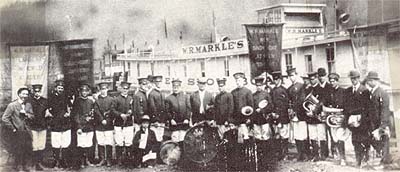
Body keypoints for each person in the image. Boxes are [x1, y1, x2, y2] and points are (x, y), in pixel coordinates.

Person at [343, 70, 370, 168]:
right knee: (355, 141)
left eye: (355, 78)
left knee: (363, 140)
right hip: (351, 120)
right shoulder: (348, 91)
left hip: (361, 121)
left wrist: (361, 118)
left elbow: (367, 108)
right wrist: (348, 120)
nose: (353, 80)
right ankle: (358, 160)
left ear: (358, 78)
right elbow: (346, 107)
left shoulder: (365, 90)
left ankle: (365, 159)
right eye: (351, 78)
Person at [2, 87, 33, 172]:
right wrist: (13, 128)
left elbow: (32, 116)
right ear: (19, 94)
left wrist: (26, 114)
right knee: (19, 149)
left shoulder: (28, 105)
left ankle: (25, 166)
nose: (25, 96)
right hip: (17, 131)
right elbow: (4, 118)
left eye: (26, 94)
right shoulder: (12, 105)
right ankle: (19, 167)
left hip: (27, 131)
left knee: (27, 149)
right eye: (23, 94)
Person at [365, 71, 392, 165]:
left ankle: (386, 162)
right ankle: (382, 160)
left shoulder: (382, 93)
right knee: (375, 142)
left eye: (371, 80)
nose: (369, 82)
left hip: (381, 123)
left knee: (384, 143)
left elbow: (385, 110)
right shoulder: (370, 93)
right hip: (373, 123)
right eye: (369, 80)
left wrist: (382, 126)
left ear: (376, 81)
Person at [48, 79, 73, 169]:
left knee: (65, 143)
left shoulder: (66, 97)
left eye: (62, 88)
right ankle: (56, 161)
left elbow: (70, 108)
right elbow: (49, 110)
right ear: (55, 88)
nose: (60, 89)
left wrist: (69, 113)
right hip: (56, 124)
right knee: (56, 143)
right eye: (59, 88)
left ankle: (64, 161)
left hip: (65, 124)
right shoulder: (51, 98)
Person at [251, 76, 274, 169]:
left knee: (265, 137)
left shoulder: (266, 95)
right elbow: (251, 107)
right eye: (257, 86)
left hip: (264, 120)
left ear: (263, 85)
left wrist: (263, 110)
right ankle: (259, 154)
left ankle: (267, 155)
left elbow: (271, 106)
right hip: (256, 120)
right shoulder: (253, 95)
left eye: (260, 85)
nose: (258, 87)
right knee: (258, 137)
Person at [287, 68, 309, 161]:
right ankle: (299, 154)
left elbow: (302, 100)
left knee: (303, 134)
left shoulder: (301, 86)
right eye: (290, 76)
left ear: (296, 75)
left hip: (301, 114)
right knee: (296, 134)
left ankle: (305, 154)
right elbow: (289, 101)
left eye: (292, 75)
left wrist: (296, 109)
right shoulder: (290, 88)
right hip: (294, 114)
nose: (291, 77)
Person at [71, 83, 96, 169]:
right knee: (81, 144)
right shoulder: (77, 101)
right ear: (80, 92)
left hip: (89, 126)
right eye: (83, 91)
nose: (84, 93)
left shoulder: (91, 101)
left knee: (89, 144)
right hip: (81, 127)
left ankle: (88, 160)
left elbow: (93, 113)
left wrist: (91, 119)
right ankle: (81, 161)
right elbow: (75, 115)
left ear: (88, 92)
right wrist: (78, 126)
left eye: (86, 91)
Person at [304, 72, 327, 161]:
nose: (312, 80)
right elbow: (305, 102)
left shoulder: (321, 89)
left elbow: (322, 102)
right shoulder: (308, 89)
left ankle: (323, 155)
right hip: (310, 117)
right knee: (313, 136)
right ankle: (315, 155)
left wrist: (314, 110)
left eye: (313, 79)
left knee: (321, 136)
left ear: (317, 78)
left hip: (318, 116)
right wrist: (307, 111)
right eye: (310, 79)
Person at [26, 84, 49, 171]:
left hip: (43, 126)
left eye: (38, 91)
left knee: (41, 145)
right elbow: (28, 113)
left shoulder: (45, 101)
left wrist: (47, 117)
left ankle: (40, 162)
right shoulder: (29, 101)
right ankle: (35, 163)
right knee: (34, 145)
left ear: (41, 92)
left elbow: (47, 112)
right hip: (33, 126)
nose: (37, 93)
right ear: (33, 92)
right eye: (35, 91)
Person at [112, 81, 135, 166]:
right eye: (123, 88)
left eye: (127, 88)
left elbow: (134, 109)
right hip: (119, 124)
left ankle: (128, 159)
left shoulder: (131, 98)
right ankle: (119, 159)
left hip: (128, 124)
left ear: (128, 89)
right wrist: (120, 114)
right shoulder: (116, 99)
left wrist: (131, 112)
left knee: (129, 141)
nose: (125, 90)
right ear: (120, 89)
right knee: (119, 141)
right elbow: (112, 110)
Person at [270, 71, 290, 161]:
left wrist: (280, 114)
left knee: (284, 135)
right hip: (275, 117)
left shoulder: (284, 90)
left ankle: (285, 153)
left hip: (283, 116)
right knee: (277, 135)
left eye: (277, 79)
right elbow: (271, 104)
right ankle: (279, 153)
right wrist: (273, 113)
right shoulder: (272, 91)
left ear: (280, 79)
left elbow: (286, 104)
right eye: (274, 79)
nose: (275, 81)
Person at [94, 82, 115, 167]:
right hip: (99, 124)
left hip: (108, 124)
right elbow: (96, 111)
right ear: (100, 90)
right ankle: (102, 159)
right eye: (102, 89)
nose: (103, 91)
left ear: (107, 89)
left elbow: (112, 111)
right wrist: (102, 120)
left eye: (105, 89)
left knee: (109, 142)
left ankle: (109, 159)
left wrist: (107, 120)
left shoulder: (111, 99)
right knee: (101, 142)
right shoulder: (97, 101)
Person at [165, 79, 191, 143]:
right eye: (174, 87)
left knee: (183, 140)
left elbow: (188, 109)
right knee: (175, 140)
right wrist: (171, 119)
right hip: (174, 124)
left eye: (177, 87)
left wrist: (187, 118)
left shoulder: (185, 97)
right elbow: (167, 111)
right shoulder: (169, 98)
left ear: (180, 87)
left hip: (184, 123)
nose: (176, 89)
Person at [231, 72, 254, 143]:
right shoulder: (233, 92)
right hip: (236, 120)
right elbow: (232, 107)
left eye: (240, 80)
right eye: (236, 81)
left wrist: (249, 118)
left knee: (246, 138)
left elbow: (251, 106)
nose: (238, 82)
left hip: (245, 119)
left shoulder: (248, 92)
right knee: (237, 140)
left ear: (244, 81)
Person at [317, 68, 332, 159]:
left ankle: (334, 151)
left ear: (326, 76)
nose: (321, 78)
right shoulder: (317, 88)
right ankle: (324, 152)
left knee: (332, 133)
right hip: (321, 114)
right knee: (323, 133)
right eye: (320, 76)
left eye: (323, 76)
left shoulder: (330, 86)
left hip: (329, 113)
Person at [148, 75, 167, 143]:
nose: (158, 83)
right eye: (157, 81)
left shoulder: (162, 92)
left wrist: (165, 119)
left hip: (162, 120)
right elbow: (152, 108)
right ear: (154, 83)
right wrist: (155, 120)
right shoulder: (152, 94)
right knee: (154, 137)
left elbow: (164, 107)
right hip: (155, 121)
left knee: (160, 137)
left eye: (160, 81)